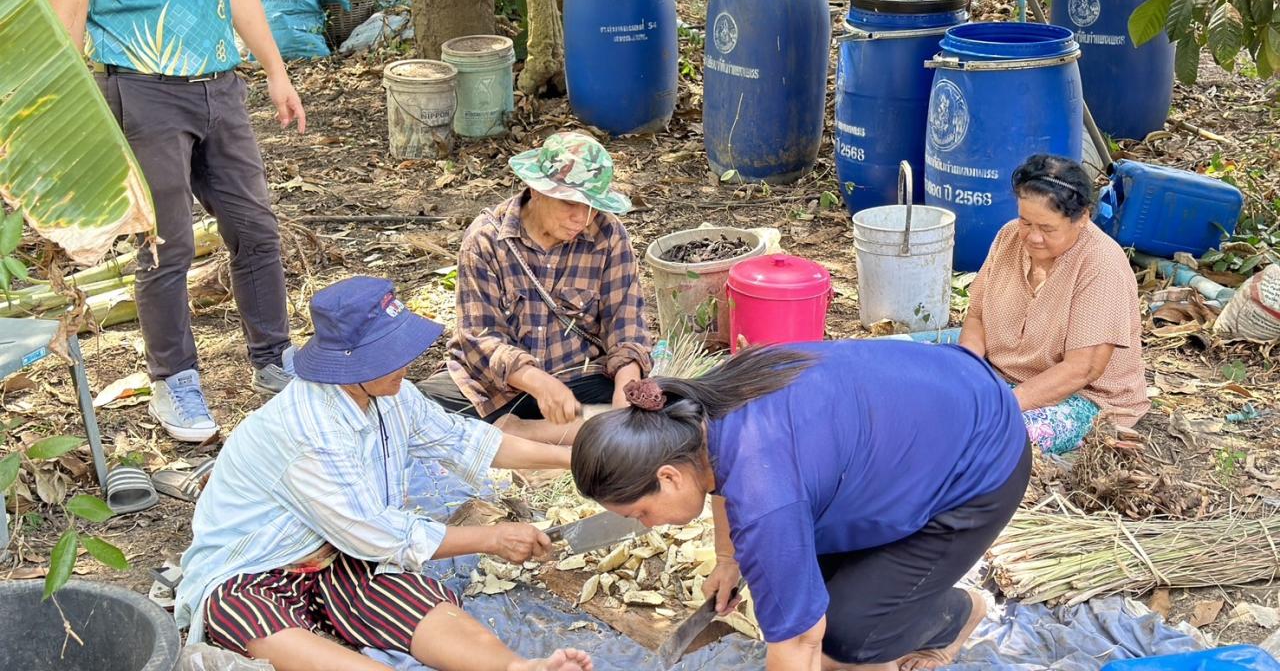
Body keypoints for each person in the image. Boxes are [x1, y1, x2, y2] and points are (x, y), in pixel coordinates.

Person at [44, 0, 305, 441]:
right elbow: (66, 9)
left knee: (255, 228)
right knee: (167, 245)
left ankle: (275, 359)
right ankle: (174, 382)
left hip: (220, 88)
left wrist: (274, 70)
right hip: (141, 94)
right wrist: (65, 124)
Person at [175, 276, 592, 671]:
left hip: (337, 554)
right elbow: (375, 532)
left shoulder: (393, 394)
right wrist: (491, 539)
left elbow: (467, 441)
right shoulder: (309, 431)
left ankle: (516, 666)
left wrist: (576, 457)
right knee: (244, 616)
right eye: (388, 355)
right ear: (348, 362)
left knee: (400, 593)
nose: (405, 364)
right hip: (254, 566)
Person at [571, 343, 1031, 671]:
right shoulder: (698, 415)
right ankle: (924, 607)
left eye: (639, 514)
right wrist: (730, 560)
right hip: (943, 401)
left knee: (846, 639)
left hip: (982, 461)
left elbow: (800, 644)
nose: (647, 526)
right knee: (820, 594)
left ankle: (953, 613)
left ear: (668, 476)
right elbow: (719, 477)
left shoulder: (764, 495)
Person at [420, 132, 652, 443]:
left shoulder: (608, 235)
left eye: (592, 206)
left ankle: (517, 435)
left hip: (577, 378)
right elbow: (480, 337)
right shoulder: (486, 240)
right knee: (417, 410)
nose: (581, 219)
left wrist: (627, 391)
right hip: (499, 385)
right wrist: (539, 383)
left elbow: (627, 323)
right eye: (570, 203)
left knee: (667, 410)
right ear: (537, 190)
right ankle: (579, 433)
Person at [959, 154, 1148, 454]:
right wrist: (964, 369)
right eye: (1025, 221)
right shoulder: (1008, 236)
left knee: (985, 439)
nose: (1032, 237)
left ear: (1082, 218)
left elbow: (1081, 370)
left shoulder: (1100, 264)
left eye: (1047, 229)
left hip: (1083, 398)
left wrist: (1002, 406)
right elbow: (976, 316)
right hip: (999, 378)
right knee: (910, 379)